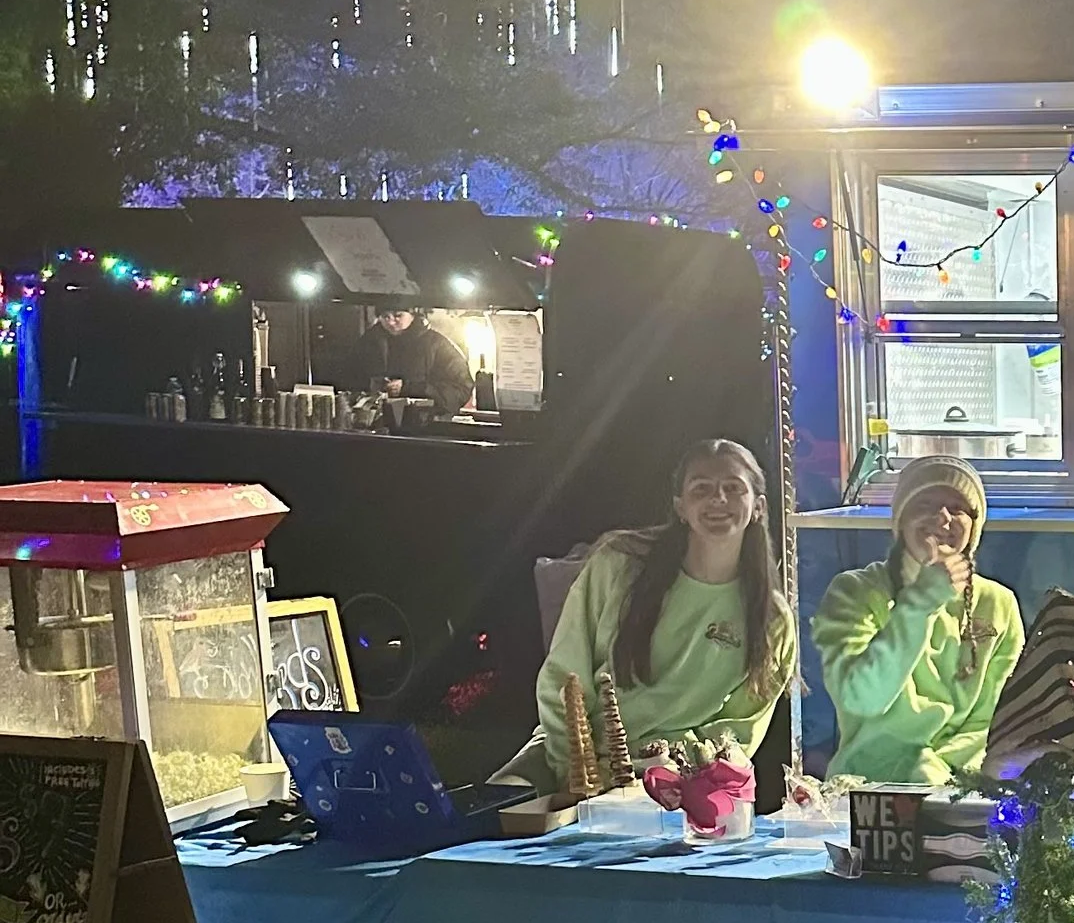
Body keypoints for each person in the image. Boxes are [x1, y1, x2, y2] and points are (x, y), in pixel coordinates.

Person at [503, 439, 795, 795]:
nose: (718, 499)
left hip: (668, 777)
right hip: (570, 755)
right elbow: (564, 676)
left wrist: (680, 775)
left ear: (759, 508)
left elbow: (737, 735)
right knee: (489, 810)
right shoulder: (618, 564)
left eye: (733, 488)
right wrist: (573, 769)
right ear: (680, 507)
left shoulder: (772, 618)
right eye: (701, 488)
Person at [812, 456, 1026, 784]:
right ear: (900, 520)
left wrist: (939, 774)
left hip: (964, 786)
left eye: (958, 508)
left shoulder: (998, 603)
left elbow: (997, 720)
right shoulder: (853, 591)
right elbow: (863, 698)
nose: (942, 517)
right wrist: (920, 603)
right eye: (925, 504)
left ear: (975, 526)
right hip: (870, 786)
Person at [350, 308, 476, 415]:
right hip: (373, 425)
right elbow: (347, 379)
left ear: (412, 314)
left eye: (398, 315)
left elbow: (461, 389)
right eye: (385, 316)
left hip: (424, 428)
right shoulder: (367, 343)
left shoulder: (437, 345)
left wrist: (410, 389)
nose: (391, 321)